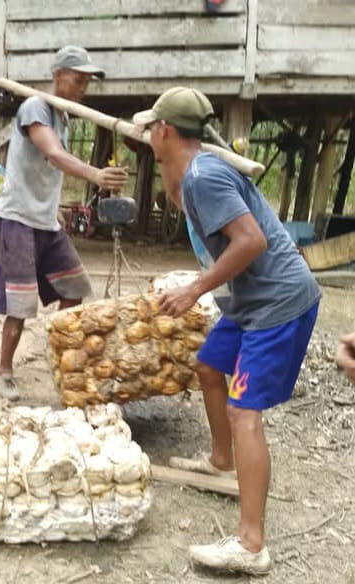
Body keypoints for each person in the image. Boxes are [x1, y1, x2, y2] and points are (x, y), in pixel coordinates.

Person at [132, 87, 321, 575]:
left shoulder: (206, 175)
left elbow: (251, 241)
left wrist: (194, 289)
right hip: (249, 299)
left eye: (152, 127)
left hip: (277, 301)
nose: (148, 133)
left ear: (166, 131)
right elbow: (195, 209)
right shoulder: (194, 173)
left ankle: (251, 545)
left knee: (245, 412)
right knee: (209, 365)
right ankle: (221, 461)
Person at [0, 46, 128, 401]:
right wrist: (96, 174)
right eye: (78, 78)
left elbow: (49, 169)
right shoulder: (35, 107)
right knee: (20, 305)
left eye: (87, 81)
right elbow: (52, 153)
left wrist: (55, 210)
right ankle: (4, 371)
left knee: (73, 289)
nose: (83, 85)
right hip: (18, 219)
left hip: (44, 222)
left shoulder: (64, 117)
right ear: (58, 75)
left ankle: (60, 354)